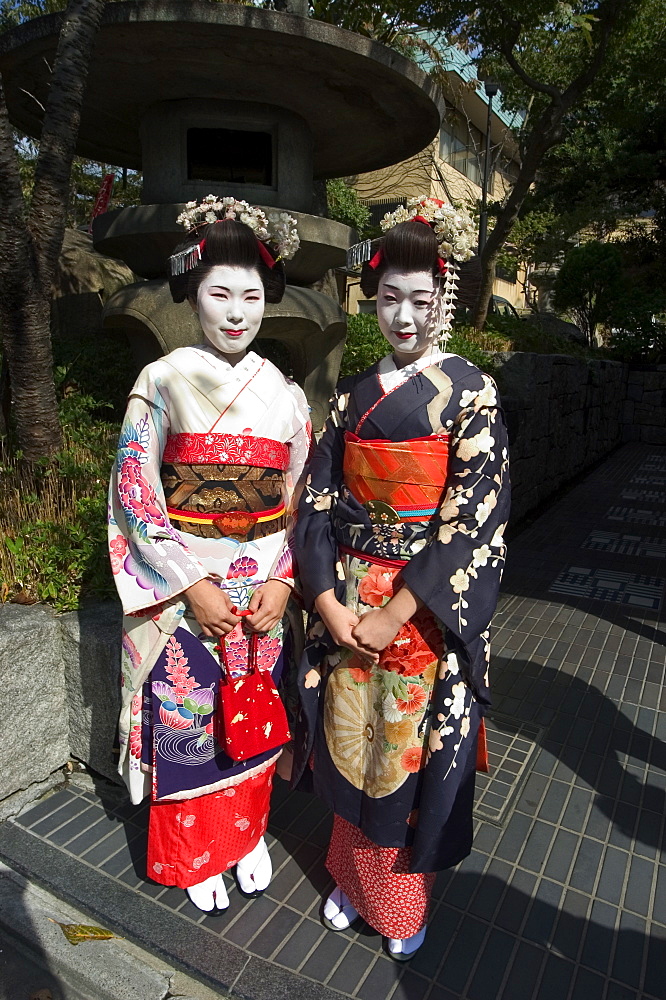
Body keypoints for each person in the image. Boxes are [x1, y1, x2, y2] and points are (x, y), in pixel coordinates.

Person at [293, 198, 510, 959]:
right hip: (349, 598)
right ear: (372, 298)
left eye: (421, 301)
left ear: (441, 300)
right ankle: (351, 882)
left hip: (421, 610)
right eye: (391, 299)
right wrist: (323, 596)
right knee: (346, 746)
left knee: (403, 755)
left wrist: (401, 609)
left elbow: (473, 517)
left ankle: (399, 902)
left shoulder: (471, 392)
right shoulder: (351, 396)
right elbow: (316, 501)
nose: (405, 317)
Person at [109, 196, 311, 912]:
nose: (236, 311)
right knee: (188, 722)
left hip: (260, 592)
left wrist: (286, 579)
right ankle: (194, 852)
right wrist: (190, 583)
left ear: (268, 300)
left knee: (254, 716)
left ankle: (245, 835)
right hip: (187, 591)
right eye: (219, 292)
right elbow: (136, 491)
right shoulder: (162, 381)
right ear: (192, 291)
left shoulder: (285, 395)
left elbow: (299, 497)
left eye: (251, 295)